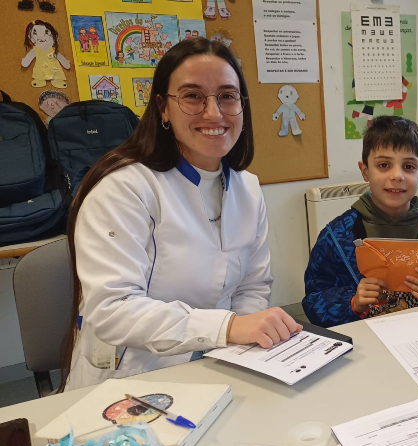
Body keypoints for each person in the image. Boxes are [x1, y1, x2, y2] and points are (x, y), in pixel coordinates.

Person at [60, 38, 301, 391]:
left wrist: (242, 342)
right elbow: (112, 309)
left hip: (218, 363)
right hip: (129, 377)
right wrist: (227, 328)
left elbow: (253, 285)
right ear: (163, 107)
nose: (213, 113)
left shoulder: (247, 188)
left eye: (227, 96)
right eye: (192, 96)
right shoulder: (123, 188)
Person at [302, 116, 418, 327]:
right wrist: (352, 302)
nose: (397, 176)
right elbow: (314, 299)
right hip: (365, 341)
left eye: (409, 166)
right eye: (384, 165)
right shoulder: (336, 237)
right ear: (365, 171)